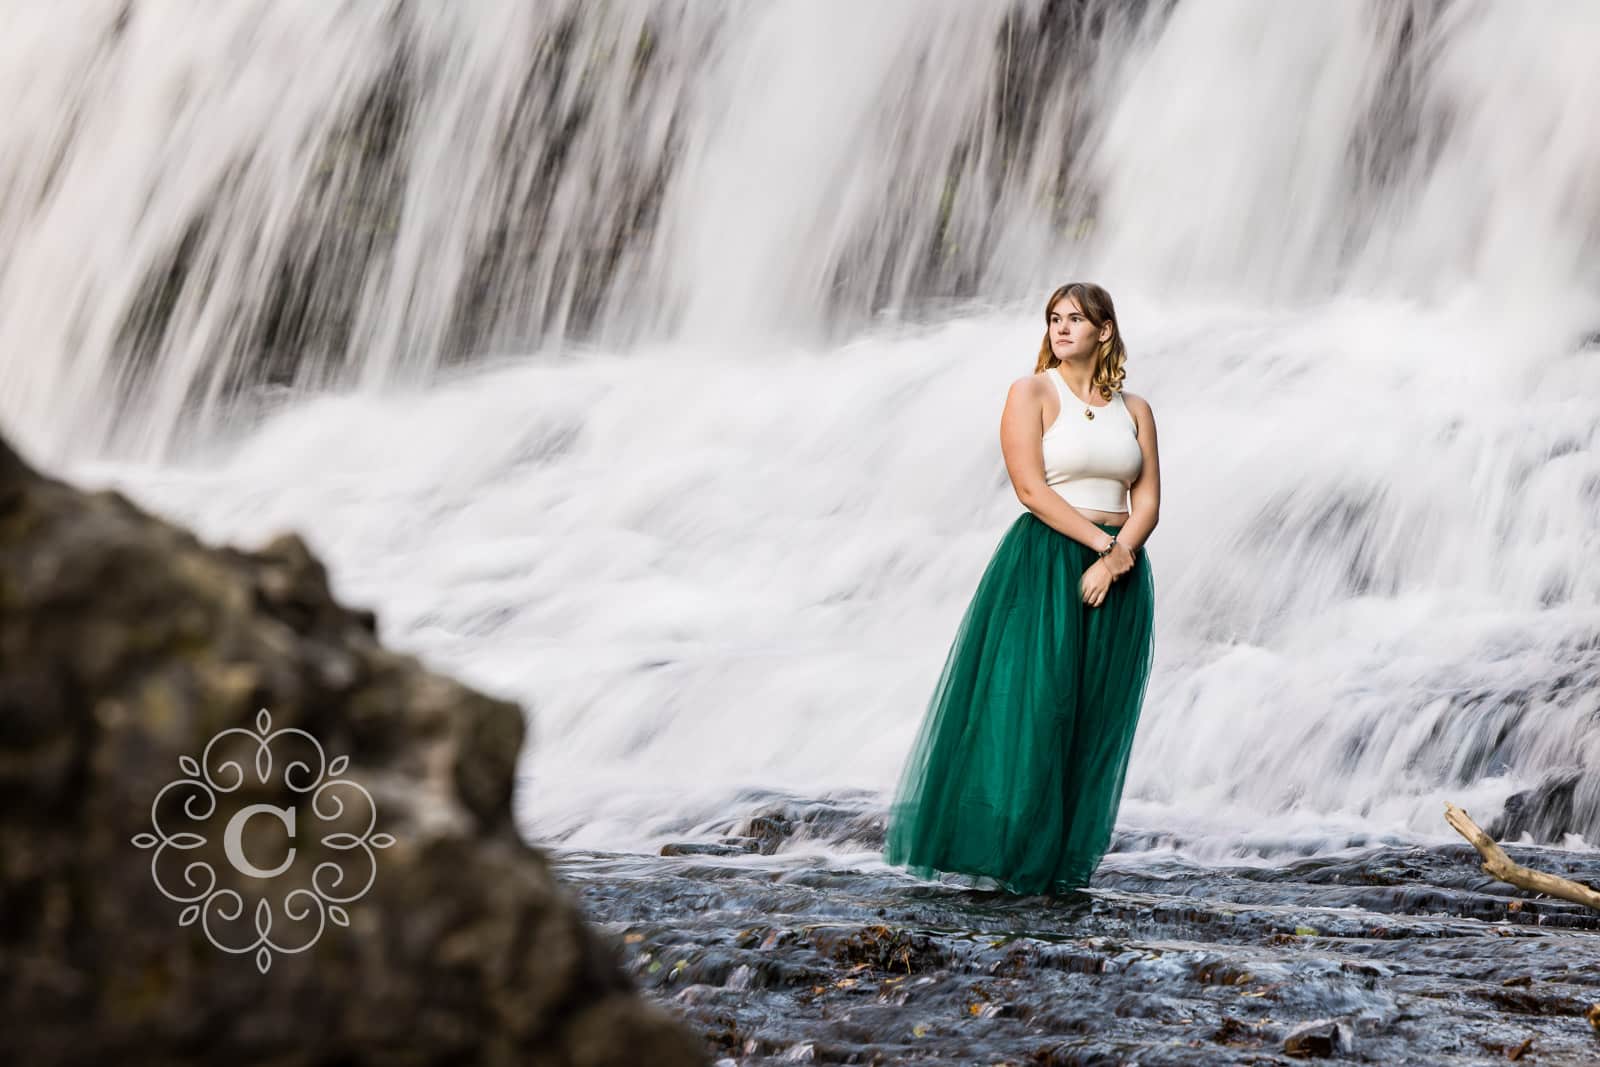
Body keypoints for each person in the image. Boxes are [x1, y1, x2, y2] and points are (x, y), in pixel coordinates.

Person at [883, 281, 1160, 895]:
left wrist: (1120, 557)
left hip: (1120, 571)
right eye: (1054, 319)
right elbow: (1031, 490)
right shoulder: (1031, 392)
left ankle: (1061, 866)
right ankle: (1006, 857)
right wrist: (1103, 549)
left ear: (1104, 331)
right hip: (1048, 562)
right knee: (1037, 709)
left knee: (1094, 717)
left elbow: (1149, 501)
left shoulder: (1134, 408)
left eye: (1076, 319)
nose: (1062, 329)